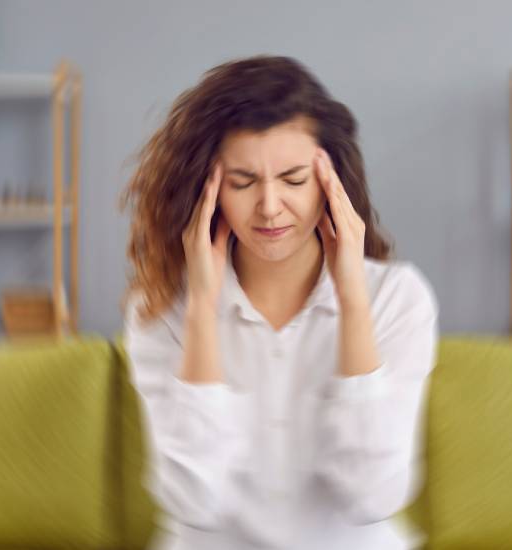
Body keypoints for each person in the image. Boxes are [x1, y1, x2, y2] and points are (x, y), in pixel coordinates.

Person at [121, 55, 438, 550]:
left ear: (331, 184)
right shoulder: (160, 307)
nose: (269, 207)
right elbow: (194, 500)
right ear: (208, 190)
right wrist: (202, 307)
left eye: (293, 180)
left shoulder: (398, 298)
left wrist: (353, 301)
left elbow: (372, 497)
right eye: (243, 182)